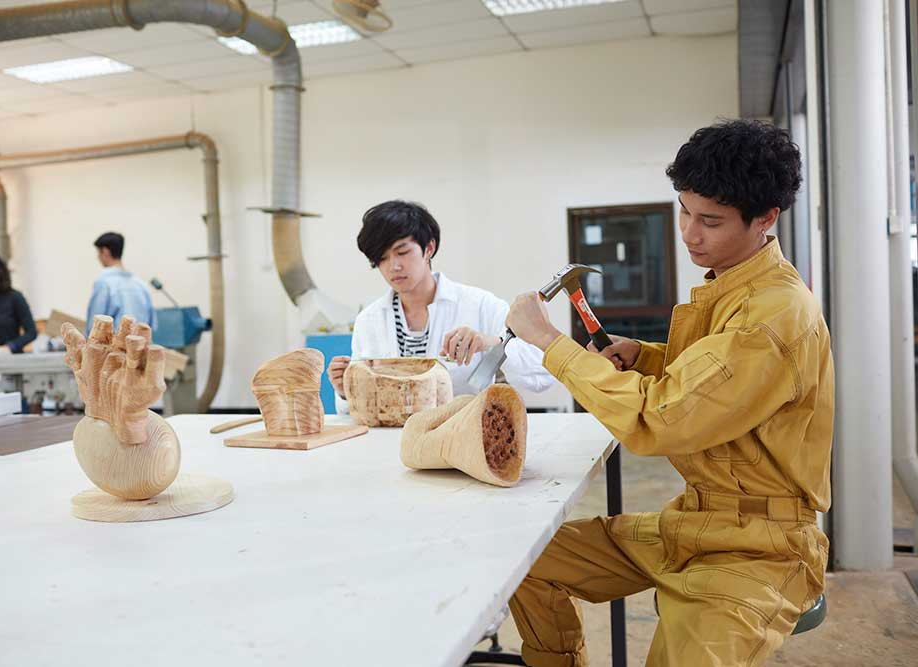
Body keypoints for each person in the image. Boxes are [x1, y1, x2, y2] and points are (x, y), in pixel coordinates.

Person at [502, 119, 833, 666]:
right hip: (695, 520)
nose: (689, 233)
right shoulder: (732, 286)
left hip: (760, 549)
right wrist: (647, 355)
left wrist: (549, 342)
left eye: (710, 221)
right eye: (684, 211)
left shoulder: (773, 313)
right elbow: (715, 378)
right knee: (525, 565)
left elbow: (658, 420)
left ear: (766, 218)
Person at [328, 200, 553, 410]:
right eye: (382, 258)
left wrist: (491, 343)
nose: (393, 266)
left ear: (429, 248)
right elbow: (355, 410)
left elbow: (541, 375)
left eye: (402, 252)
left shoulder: (480, 305)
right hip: (393, 435)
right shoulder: (369, 320)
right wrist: (345, 390)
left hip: (464, 432)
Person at [87, 232, 155, 334]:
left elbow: (94, 328)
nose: (98, 257)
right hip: (140, 343)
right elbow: (151, 325)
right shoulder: (141, 285)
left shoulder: (104, 283)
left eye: (98, 253)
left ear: (105, 251)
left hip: (114, 344)